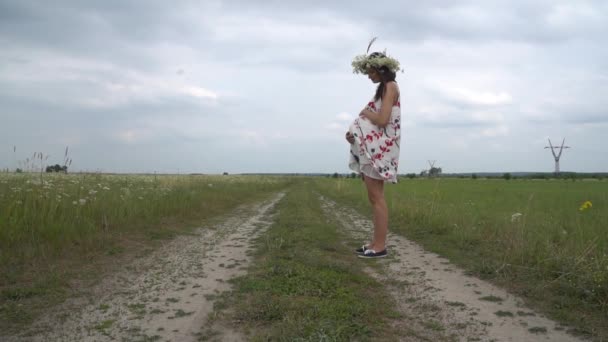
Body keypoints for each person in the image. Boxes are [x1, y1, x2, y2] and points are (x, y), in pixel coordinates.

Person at [345, 38, 402, 259]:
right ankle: (375, 242)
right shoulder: (383, 88)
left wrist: (364, 114)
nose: (368, 75)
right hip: (376, 147)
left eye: (370, 71)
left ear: (380, 69)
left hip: (381, 149)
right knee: (374, 197)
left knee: (377, 197)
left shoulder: (390, 87)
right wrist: (354, 134)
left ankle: (380, 247)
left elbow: (383, 119)